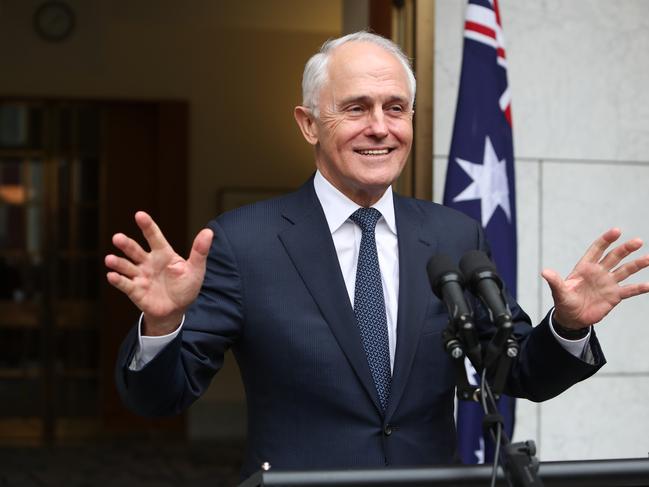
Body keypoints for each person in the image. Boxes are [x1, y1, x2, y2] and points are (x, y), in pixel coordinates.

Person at [106, 32, 649, 478]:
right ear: (308, 124)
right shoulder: (244, 242)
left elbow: (515, 373)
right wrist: (162, 322)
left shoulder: (453, 236)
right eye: (356, 108)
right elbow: (161, 399)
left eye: (396, 108)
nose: (380, 127)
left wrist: (568, 327)